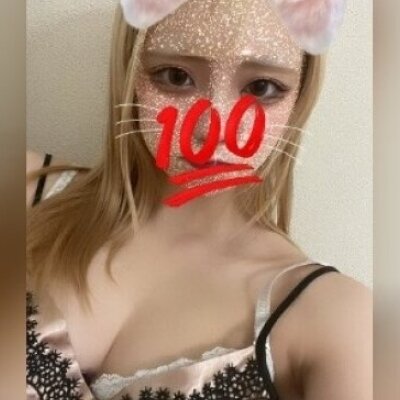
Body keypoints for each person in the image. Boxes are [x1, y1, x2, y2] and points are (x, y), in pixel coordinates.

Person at [26, 1, 372, 399]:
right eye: (176, 77)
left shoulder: (338, 322)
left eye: (261, 88)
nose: (212, 128)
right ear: (130, 69)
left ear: (300, 95)